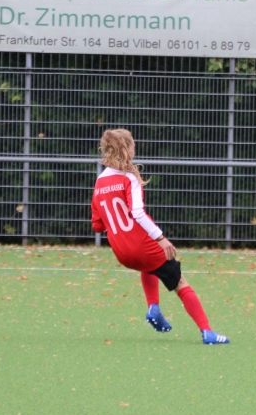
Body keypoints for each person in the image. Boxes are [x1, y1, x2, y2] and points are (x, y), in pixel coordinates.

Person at [91, 128, 229, 345]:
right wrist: (160, 238)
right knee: (180, 282)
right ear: (126, 149)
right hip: (141, 246)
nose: (135, 150)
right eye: (133, 145)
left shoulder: (99, 182)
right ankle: (207, 332)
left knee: (149, 266)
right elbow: (137, 213)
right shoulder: (129, 177)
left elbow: (97, 225)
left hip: (121, 252)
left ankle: (153, 307)